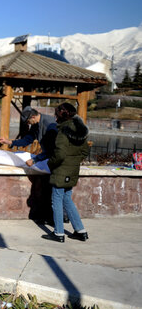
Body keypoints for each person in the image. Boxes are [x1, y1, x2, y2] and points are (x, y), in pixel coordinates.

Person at [42, 103, 90, 243]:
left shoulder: (63, 131)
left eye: (56, 115)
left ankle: (58, 233)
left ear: (61, 116)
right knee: (67, 198)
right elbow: (85, 151)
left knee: (56, 200)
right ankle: (81, 231)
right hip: (72, 170)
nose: (55, 118)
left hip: (61, 170)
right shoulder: (80, 130)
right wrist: (74, 161)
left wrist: (50, 163)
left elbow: (60, 154)